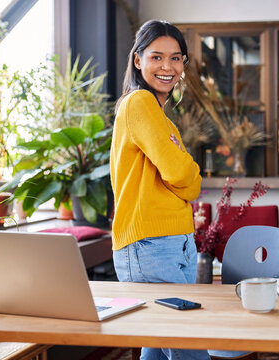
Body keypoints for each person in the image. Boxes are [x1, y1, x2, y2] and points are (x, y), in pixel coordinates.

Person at [110, 19, 209, 360]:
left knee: (159, 352)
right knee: (190, 352)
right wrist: (190, 174)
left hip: (172, 244)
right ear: (138, 60)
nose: (167, 67)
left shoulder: (162, 119)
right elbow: (182, 173)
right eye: (156, 57)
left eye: (176, 58)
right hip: (150, 247)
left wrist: (184, 176)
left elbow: (179, 177)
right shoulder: (139, 103)